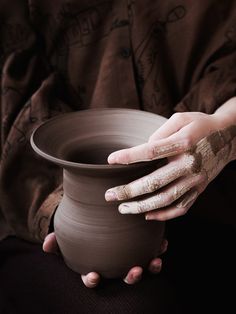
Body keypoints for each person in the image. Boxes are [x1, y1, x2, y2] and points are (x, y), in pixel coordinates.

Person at [0, 0, 236, 313]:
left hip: (212, 186)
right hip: (47, 193)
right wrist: (66, 215)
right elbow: (11, 73)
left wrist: (224, 130)